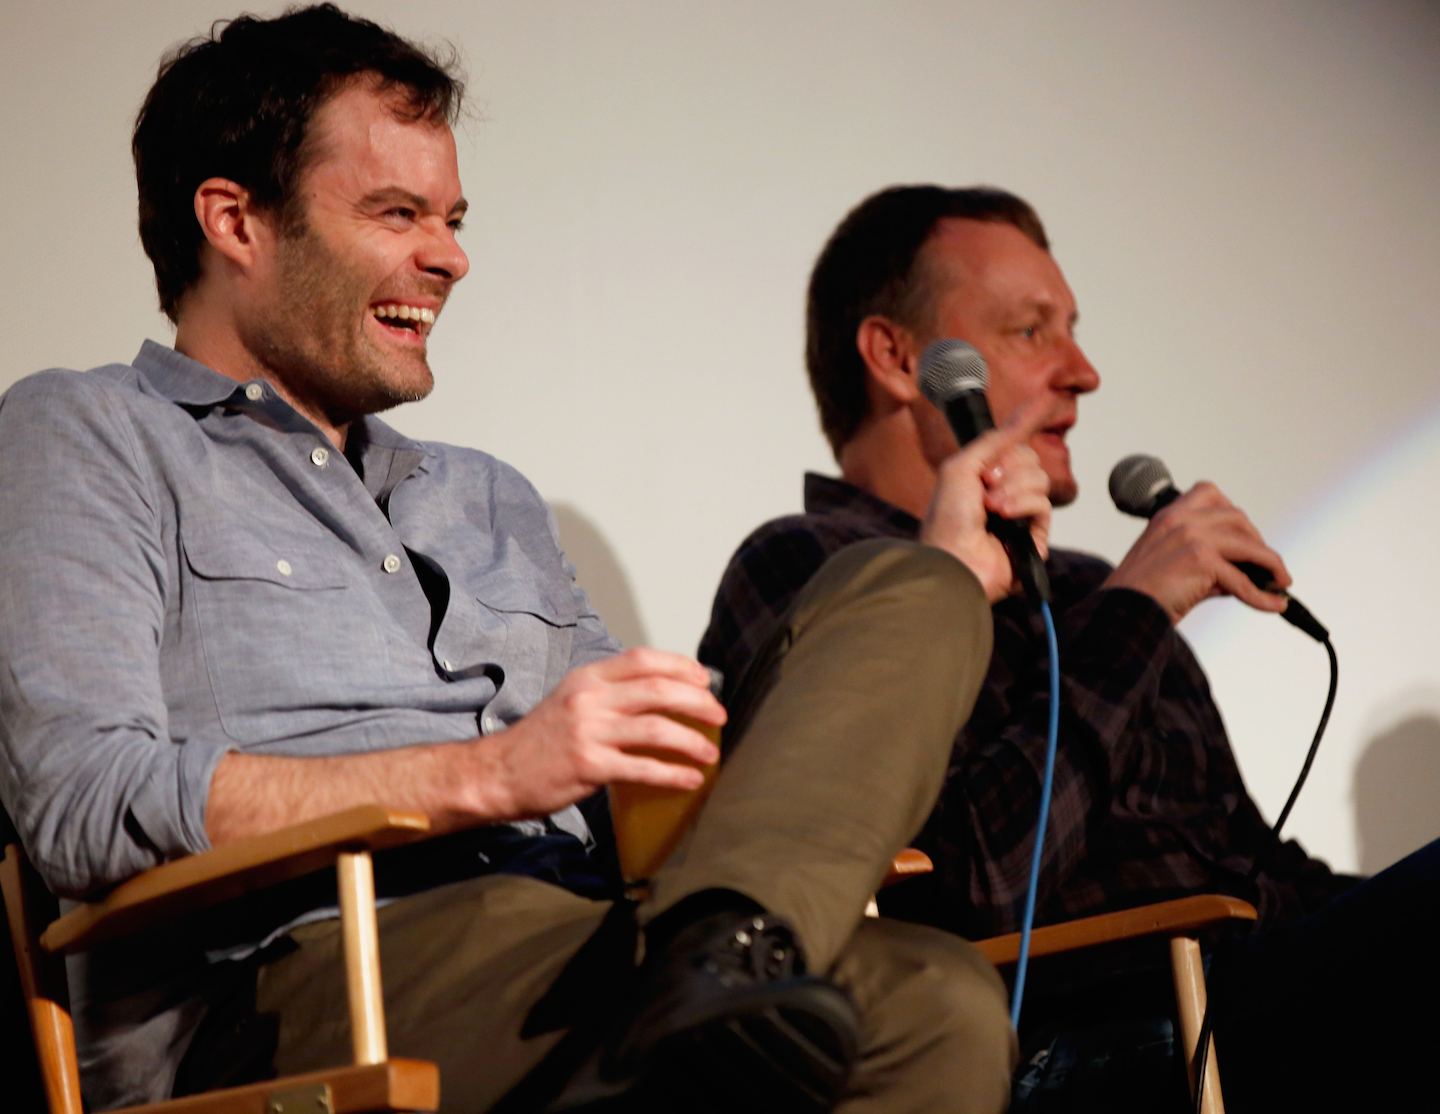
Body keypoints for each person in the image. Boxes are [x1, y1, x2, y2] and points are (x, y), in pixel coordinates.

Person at [0, 13, 1062, 1114]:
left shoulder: (483, 494)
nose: (451, 256)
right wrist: (492, 775)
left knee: (938, 944)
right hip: (312, 980)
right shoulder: (87, 430)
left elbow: (648, 776)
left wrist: (939, 580)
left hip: (583, 931)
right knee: (909, 1006)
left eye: (452, 218)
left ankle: (716, 945)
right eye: (396, 212)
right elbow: (83, 797)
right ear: (236, 221)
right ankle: (703, 966)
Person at [699, 184, 1440, 1110]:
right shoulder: (813, 569)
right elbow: (970, 894)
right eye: (1030, 332)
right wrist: (1134, 614)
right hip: (1069, 1051)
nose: (1084, 372)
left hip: (1244, 1001)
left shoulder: (1093, 584)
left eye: (1074, 330)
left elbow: (1259, 873)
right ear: (898, 359)